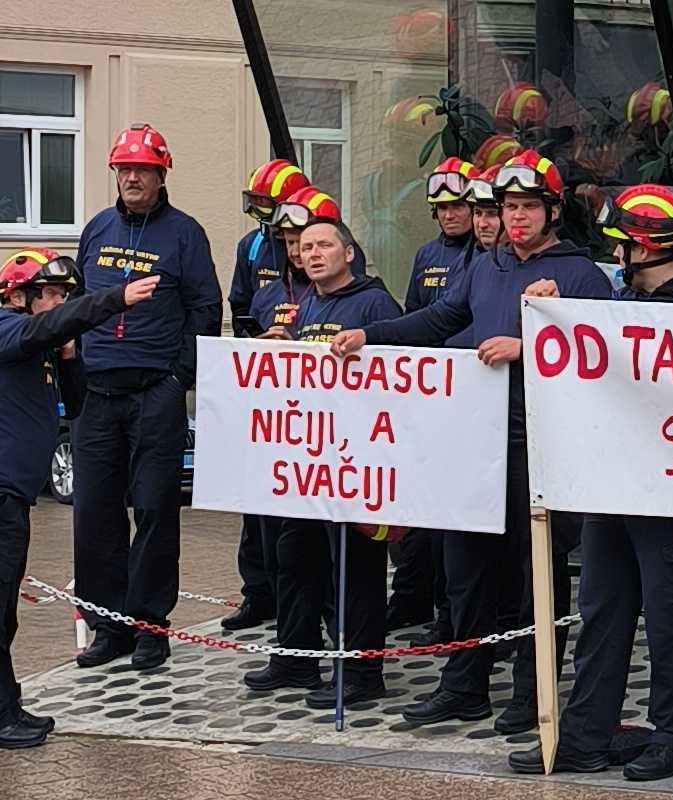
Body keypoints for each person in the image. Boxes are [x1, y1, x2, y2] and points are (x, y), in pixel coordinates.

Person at [382, 151, 612, 744]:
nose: (516, 218)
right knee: (466, 569)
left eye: (528, 206)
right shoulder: (486, 266)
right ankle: (464, 684)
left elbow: (603, 355)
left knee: (537, 574)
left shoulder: (580, 274)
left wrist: (528, 348)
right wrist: (369, 336)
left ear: (552, 211)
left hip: (541, 445)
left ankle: (532, 692)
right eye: (509, 207)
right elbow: (438, 319)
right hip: (476, 440)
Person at [545, 183, 673, 782]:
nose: (614, 254)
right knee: (602, 611)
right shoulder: (621, 303)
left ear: (644, 248)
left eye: (621, 243)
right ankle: (586, 736)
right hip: (611, 482)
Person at [0, 254, 160, 748]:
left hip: (6, 498)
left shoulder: (34, 350)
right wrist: (115, 299)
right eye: (50, 294)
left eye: (65, 295)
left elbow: (75, 404)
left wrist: (71, 355)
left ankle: (0, 706)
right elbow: (49, 326)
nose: (59, 303)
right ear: (17, 298)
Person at [73, 129, 222, 673]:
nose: (132, 177)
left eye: (142, 169)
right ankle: (107, 627)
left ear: (162, 175)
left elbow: (206, 308)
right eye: (124, 169)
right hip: (98, 394)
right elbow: (77, 300)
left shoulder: (185, 233)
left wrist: (178, 376)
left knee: (156, 508)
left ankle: (150, 627)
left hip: (155, 392)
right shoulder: (97, 229)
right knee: (94, 513)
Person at [241, 203, 397, 716]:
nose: (312, 254)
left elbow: (400, 369)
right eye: (305, 247)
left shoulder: (374, 303)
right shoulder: (306, 304)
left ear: (349, 253)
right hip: (309, 463)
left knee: (354, 569)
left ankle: (362, 671)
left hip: (356, 463)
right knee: (294, 557)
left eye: (324, 245)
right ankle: (297, 656)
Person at [383, 159, 477, 648]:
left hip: (473, 393)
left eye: (458, 205)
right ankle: (413, 597)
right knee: (420, 510)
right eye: (441, 208)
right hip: (428, 393)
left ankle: (450, 611)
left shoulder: (485, 255)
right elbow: (417, 317)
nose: (450, 215)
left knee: (456, 518)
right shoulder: (426, 255)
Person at [220, 160, 309, 631]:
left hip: (310, 398)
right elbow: (240, 307)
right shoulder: (252, 246)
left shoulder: (320, 244)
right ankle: (257, 592)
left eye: (268, 208)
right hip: (265, 388)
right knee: (254, 496)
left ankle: (298, 600)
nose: (264, 220)